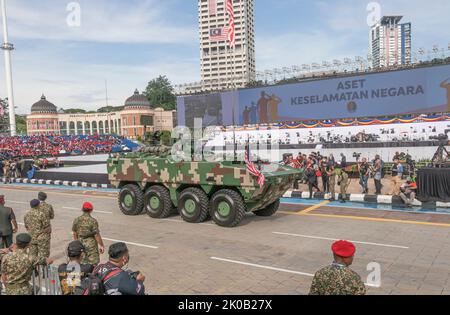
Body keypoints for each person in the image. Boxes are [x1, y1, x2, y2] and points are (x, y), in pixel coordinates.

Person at [24, 199, 51, 265]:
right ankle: (44, 273)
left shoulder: (26, 214)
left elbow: (26, 226)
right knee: (43, 258)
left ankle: (33, 272)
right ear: (38, 205)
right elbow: (47, 226)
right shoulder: (41, 214)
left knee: (32, 257)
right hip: (42, 238)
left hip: (31, 238)